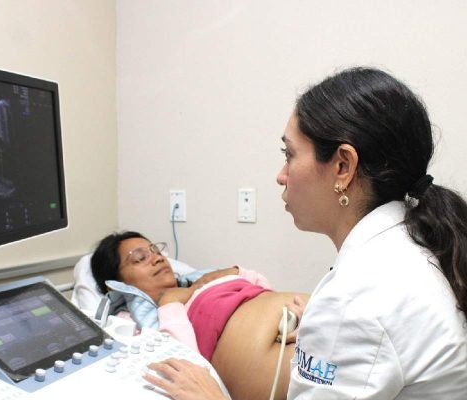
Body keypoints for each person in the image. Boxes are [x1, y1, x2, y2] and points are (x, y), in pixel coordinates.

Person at [144, 67, 467, 399]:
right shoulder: (412, 246)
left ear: (343, 166)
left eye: (290, 155)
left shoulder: (357, 299)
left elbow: (366, 318)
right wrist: (323, 324)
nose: (281, 176)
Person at [90, 230, 309, 400]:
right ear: (116, 283)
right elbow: (182, 361)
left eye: (156, 251)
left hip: (305, 324)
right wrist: (169, 302)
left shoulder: (200, 282)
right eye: (140, 258)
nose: (157, 258)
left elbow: (264, 290)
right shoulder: (131, 324)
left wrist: (235, 272)